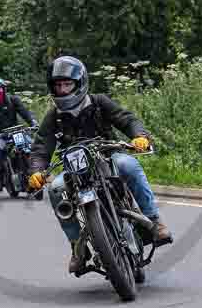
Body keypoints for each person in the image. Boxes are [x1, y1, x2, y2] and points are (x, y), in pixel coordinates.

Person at [27, 56, 173, 274]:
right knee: (56, 189)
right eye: (58, 85)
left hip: (108, 156)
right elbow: (41, 147)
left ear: (79, 83)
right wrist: (36, 171)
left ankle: (155, 221)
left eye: (67, 84)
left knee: (130, 166)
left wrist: (139, 136)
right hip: (74, 168)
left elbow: (127, 119)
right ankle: (78, 248)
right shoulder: (53, 116)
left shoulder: (99, 102)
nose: (63, 90)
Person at [0, 78, 39, 192]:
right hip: (0, 136)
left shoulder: (13, 100)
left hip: (17, 132)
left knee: (31, 145)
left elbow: (25, 113)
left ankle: (36, 171)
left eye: (0, 89)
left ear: (4, 89)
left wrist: (33, 123)